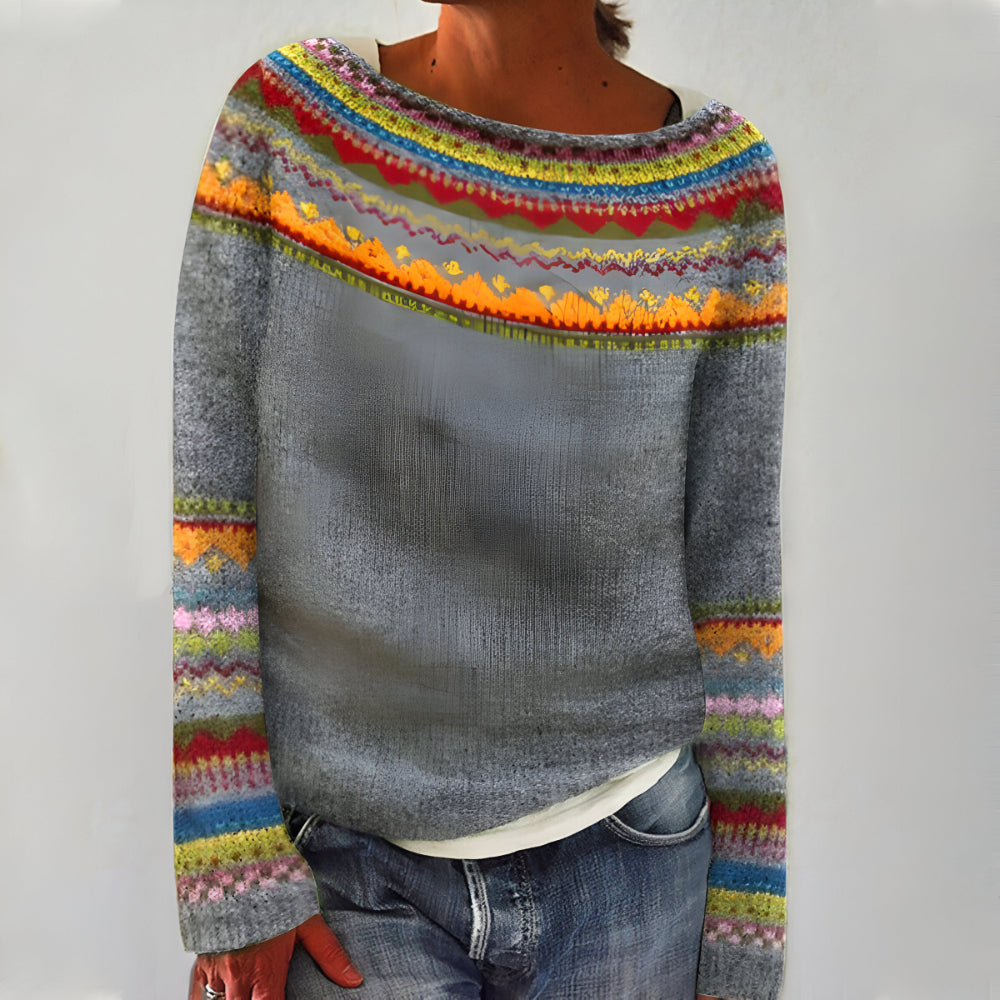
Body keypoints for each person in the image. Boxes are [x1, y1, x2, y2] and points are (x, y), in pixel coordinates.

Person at [171, 2, 788, 998]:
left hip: (634, 862)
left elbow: (734, 563)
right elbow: (212, 513)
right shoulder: (293, 125)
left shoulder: (715, 184)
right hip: (346, 869)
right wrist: (229, 854)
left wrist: (746, 921)